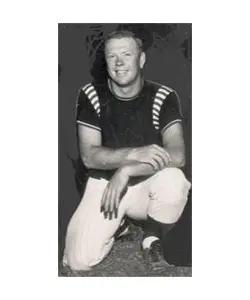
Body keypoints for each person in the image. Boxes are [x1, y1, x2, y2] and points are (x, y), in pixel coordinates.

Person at [63, 30, 191, 271]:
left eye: (126, 54)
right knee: (78, 261)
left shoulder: (163, 95)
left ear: (141, 59)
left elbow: (177, 155)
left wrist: (127, 170)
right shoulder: (90, 94)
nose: (119, 62)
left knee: (174, 180)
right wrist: (133, 154)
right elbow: (90, 155)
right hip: (105, 184)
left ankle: (150, 235)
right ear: (106, 61)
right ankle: (120, 226)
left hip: (147, 184)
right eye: (112, 56)